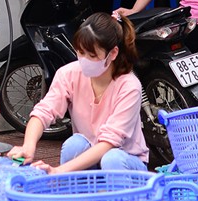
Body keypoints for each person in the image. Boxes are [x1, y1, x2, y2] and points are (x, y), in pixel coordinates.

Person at [8, 12, 149, 174]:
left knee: (112, 158)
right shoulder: (68, 74)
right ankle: (75, 195)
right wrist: (28, 146)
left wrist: (59, 171)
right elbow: (43, 112)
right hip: (91, 157)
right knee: (74, 144)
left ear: (113, 53)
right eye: (80, 53)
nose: (84, 60)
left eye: (92, 55)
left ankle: (120, 198)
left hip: (125, 161)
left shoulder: (129, 86)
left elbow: (109, 142)